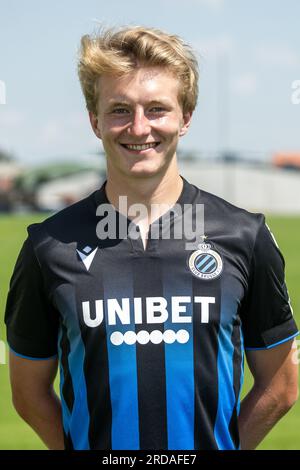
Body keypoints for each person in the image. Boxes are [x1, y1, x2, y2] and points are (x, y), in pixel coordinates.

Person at [5, 25, 299, 451]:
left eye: (157, 109)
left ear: (186, 118)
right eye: (120, 109)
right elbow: (28, 393)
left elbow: (282, 383)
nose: (139, 128)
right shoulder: (47, 247)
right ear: (95, 120)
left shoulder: (243, 235)